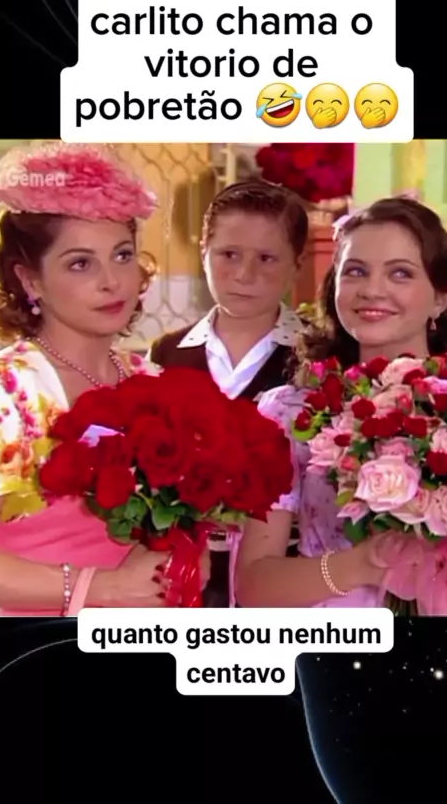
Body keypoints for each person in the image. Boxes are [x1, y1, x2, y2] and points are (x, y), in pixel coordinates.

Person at [234, 195, 447, 609]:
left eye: (400, 273)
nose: (372, 290)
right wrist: (363, 564)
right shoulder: (291, 412)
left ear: (442, 297)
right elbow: (254, 587)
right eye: (356, 271)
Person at [0, 141, 209, 616]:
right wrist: (99, 587)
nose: (112, 281)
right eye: (80, 263)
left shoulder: (152, 380)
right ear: (30, 280)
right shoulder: (10, 392)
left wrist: (183, 560)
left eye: (122, 255)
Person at [149, 179, 309, 605]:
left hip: (281, 576)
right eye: (229, 254)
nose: (244, 275)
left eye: (266, 258)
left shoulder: (318, 358)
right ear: (203, 250)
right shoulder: (166, 353)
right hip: (180, 575)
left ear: (297, 263)